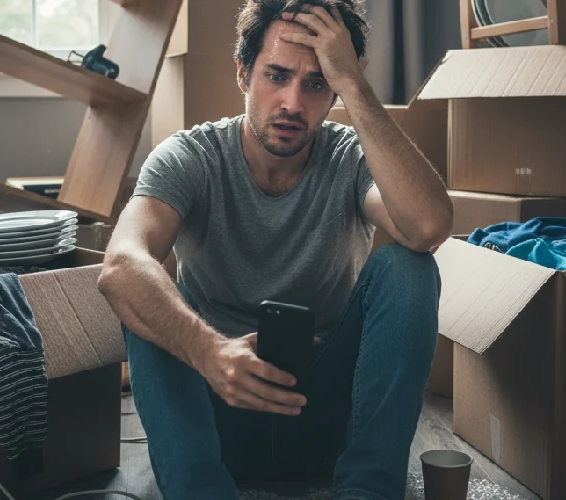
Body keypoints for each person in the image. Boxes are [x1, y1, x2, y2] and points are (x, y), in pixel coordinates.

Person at [97, 0, 452, 498]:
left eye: (316, 83)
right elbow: (119, 267)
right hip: (216, 413)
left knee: (409, 266)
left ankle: (368, 491)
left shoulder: (350, 157)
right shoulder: (189, 156)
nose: (291, 102)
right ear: (243, 74)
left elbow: (429, 227)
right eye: (276, 75)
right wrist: (210, 351)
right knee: (145, 292)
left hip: (323, 416)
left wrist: (355, 84)